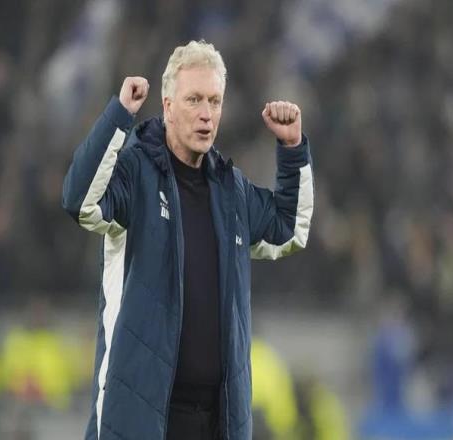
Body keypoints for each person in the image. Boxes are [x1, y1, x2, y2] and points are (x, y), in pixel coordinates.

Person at [62, 40, 314, 440]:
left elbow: (290, 229)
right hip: (140, 417)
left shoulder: (232, 191)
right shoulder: (136, 174)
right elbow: (80, 200)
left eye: (214, 101)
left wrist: (292, 148)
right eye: (194, 99)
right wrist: (118, 116)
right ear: (167, 107)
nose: (205, 114)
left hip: (216, 421)